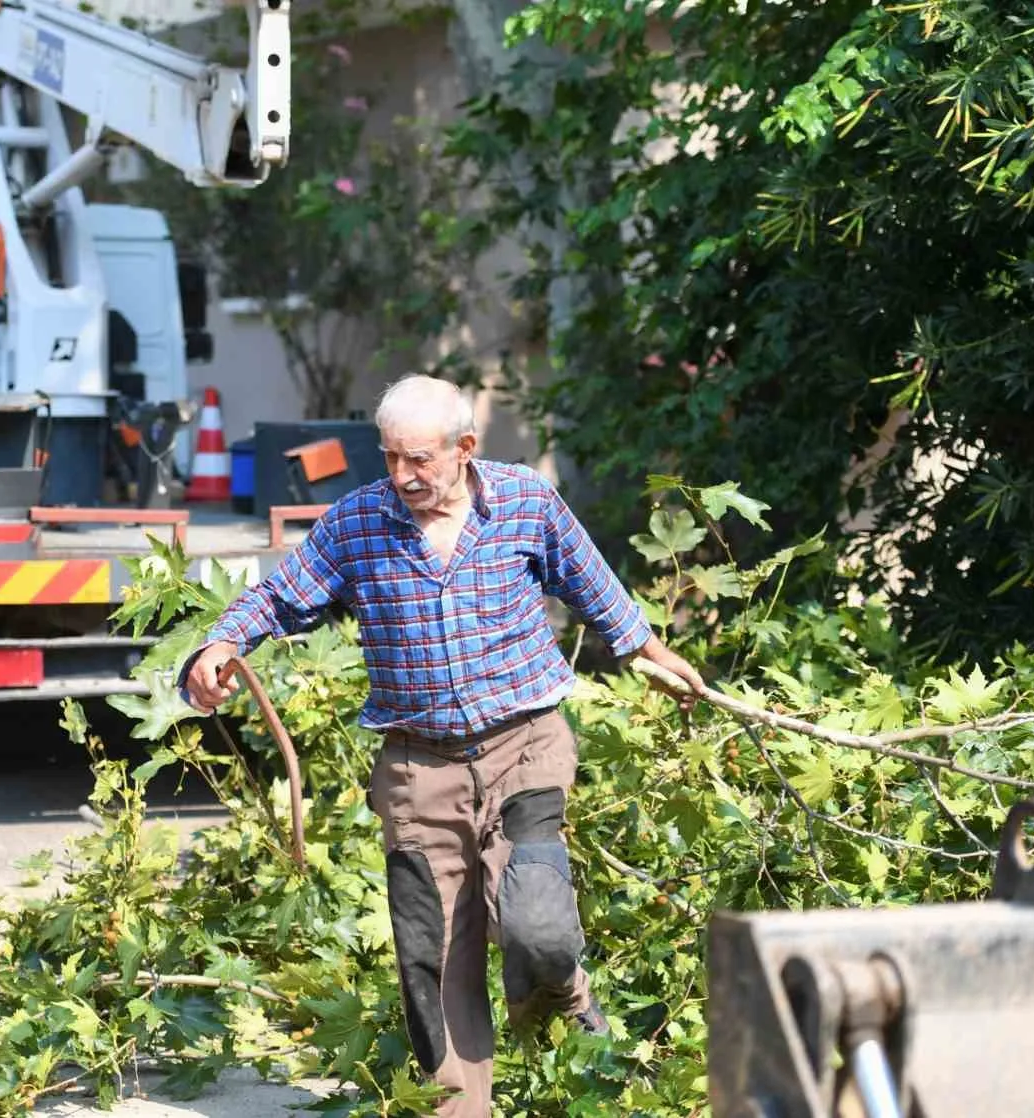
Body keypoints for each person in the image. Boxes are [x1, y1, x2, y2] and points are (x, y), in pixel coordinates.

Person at [182, 375, 704, 1118]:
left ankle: (561, 991)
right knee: (432, 960)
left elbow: (594, 583)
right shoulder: (359, 523)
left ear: (465, 449)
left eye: (419, 459)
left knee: (539, 924)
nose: (403, 476)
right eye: (391, 457)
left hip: (525, 746)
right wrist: (221, 644)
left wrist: (647, 651)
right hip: (417, 770)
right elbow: (277, 595)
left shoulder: (524, 501)